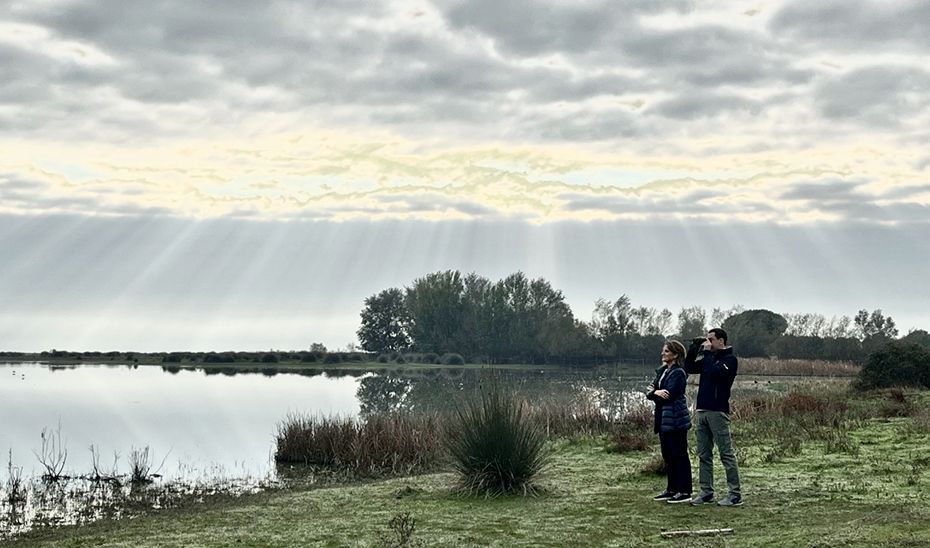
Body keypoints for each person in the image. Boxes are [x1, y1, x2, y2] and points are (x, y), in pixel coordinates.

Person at [684, 328, 742, 507]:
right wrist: (694, 349)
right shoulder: (710, 358)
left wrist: (708, 354)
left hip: (718, 411)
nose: (708, 343)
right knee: (704, 454)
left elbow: (716, 373)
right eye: (706, 340)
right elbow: (690, 367)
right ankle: (706, 492)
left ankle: (734, 494)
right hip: (701, 410)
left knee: (726, 453)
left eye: (711, 339)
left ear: (721, 341)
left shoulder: (729, 360)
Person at [645, 340, 692, 504]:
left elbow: (669, 396)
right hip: (663, 420)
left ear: (675, 355)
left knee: (679, 455)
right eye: (663, 351)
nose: (662, 354)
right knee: (668, 456)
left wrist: (655, 394)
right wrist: (655, 392)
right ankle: (671, 489)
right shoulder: (663, 371)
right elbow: (650, 391)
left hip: (676, 420)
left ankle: (684, 491)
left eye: (666, 351)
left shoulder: (678, 373)